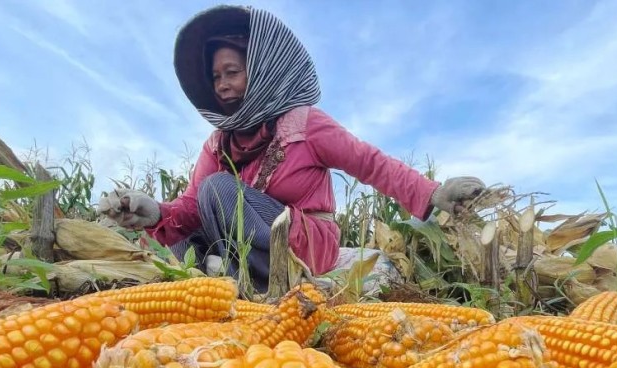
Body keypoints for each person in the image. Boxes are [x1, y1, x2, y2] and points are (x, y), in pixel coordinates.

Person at [98, 5, 485, 292]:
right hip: (245, 246)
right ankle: (206, 283)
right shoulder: (219, 144)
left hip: (303, 243)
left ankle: (248, 285)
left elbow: (370, 163)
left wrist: (434, 193)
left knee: (216, 188)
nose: (221, 85)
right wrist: (155, 214)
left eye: (232, 72)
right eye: (216, 76)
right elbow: (191, 208)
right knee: (174, 235)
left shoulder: (304, 124)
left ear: (260, 70)